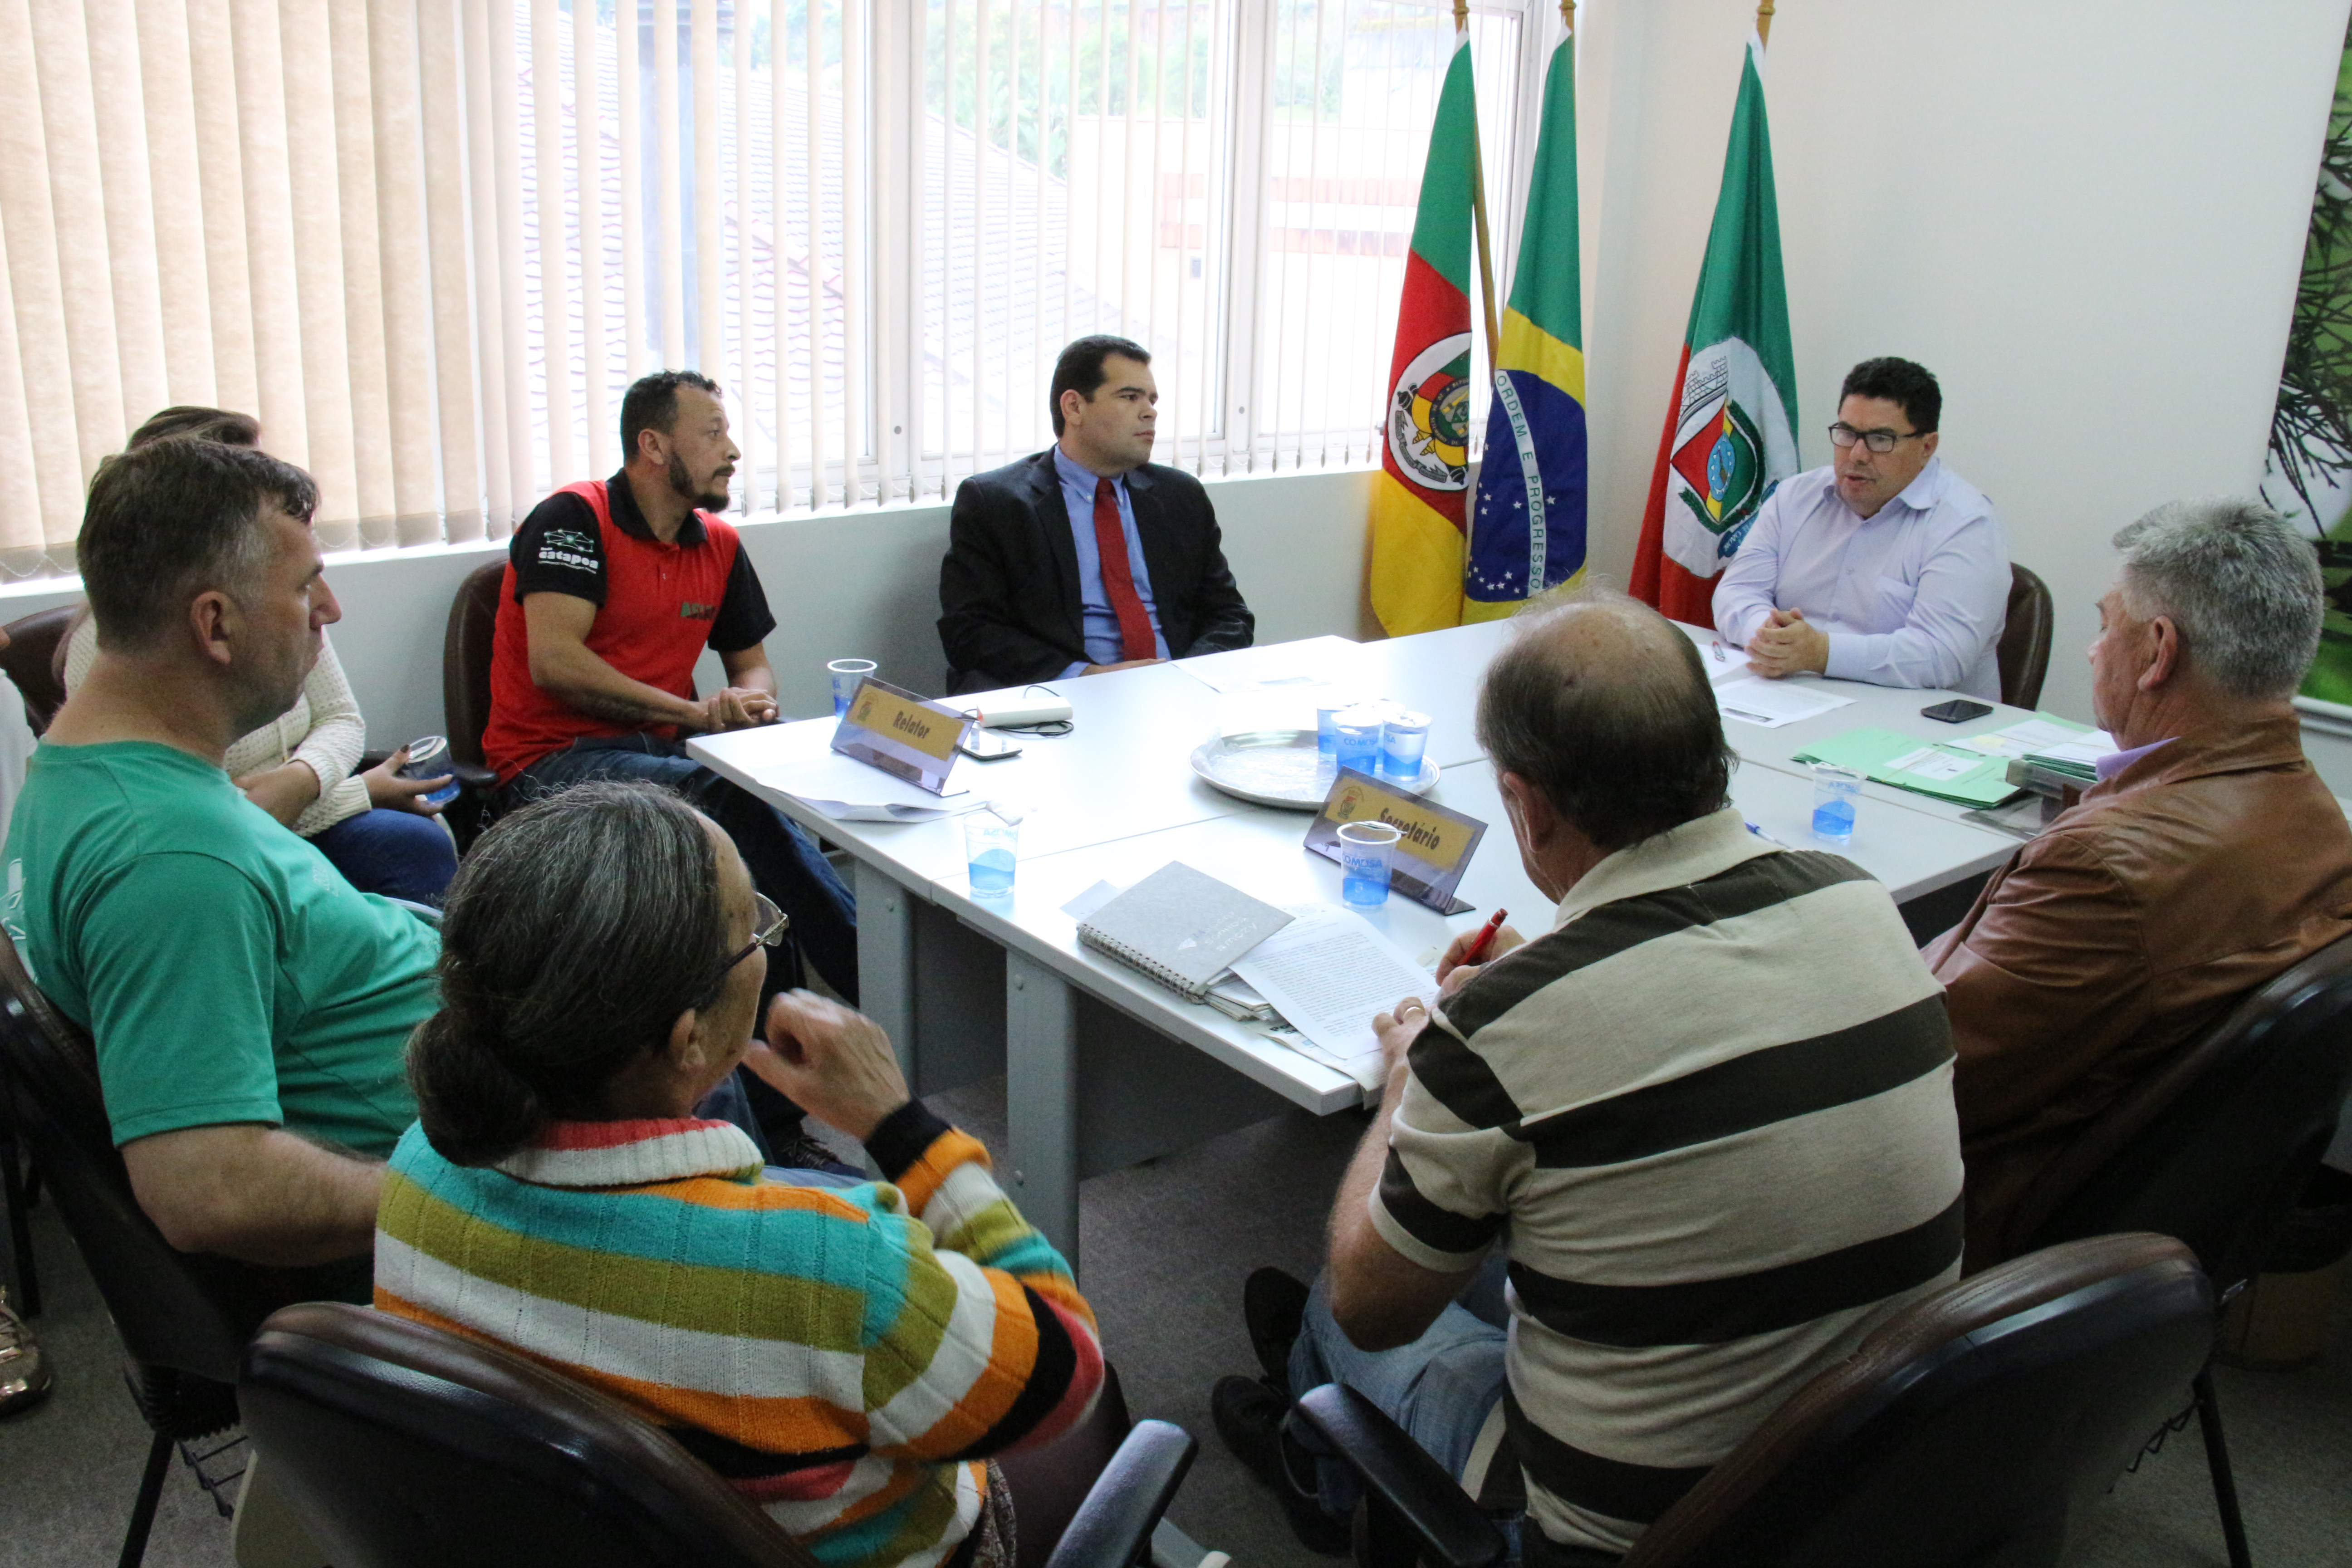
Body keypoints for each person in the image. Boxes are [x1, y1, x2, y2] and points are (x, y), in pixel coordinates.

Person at [1211, 592, 1966, 1559]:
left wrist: (1412, 1077)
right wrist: (1542, 986)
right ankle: (1318, 1429)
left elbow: (1376, 1301)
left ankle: (1316, 1459)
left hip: (1632, 1535)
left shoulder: (1502, 1027)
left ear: (1523, 805)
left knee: (1338, 1303)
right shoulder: (1859, 907)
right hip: (1866, 1480)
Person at [378, 781, 1104, 1568]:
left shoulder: (418, 1165)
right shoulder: (833, 1269)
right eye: (751, 927)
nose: (764, 942)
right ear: (688, 1039)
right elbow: (1064, 1370)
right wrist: (901, 1127)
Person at [2, 438, 439, 1279]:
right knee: (692, 983)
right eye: (305, 583)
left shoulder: (70, 769)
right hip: (469, 1174)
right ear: (214, 623)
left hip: (455, 1064)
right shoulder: (170, 857)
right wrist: (473, 1203)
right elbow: (209, 1191)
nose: (331, 609)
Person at [1928, 498, 2352, 1267]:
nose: (2092, 653)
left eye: (2104, 624)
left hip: (1977, 1226)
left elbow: (1922, 1073)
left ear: (2157, 650)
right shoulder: (2318, 820)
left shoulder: (2104, 869)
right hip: (2149, 1240)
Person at [485, 370, 858, 1005]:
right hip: (550, 762)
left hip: (665, 751)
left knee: (787, 779)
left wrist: (750, 701)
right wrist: (694, 713)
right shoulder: (573, 519)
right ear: (654, 446)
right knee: (730, 794)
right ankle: (872, 980)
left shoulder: (718, 543)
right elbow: (557, 663)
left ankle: (804, 1019)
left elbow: (753, 665)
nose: (733, 452)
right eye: (713, 434)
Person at [60, 406, 458, 905]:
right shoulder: (115, 652)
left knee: (415, 844)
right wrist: (358, 792)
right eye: (246, 492)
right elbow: (205, 820)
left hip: (300, 811)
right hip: (239, 842)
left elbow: (341, 719)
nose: (329, 610)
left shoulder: (284, 600)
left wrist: (303, 777)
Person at [937, 335, 1254, 692]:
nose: (1149, 412)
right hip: (1066, 697)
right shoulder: (997, 503)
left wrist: (1184, 678)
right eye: (1130, 397)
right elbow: (970, 632)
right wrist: (1084, 678)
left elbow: (1230, 617)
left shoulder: (1179, 495)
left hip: (1180, 689)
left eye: (1151, 400)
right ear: (1074, 407)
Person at [1712, 357, 2010, 698]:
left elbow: (1941, 655)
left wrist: (1821, 653)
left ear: (1927, 447)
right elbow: (1736, 591)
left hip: (1917, 729)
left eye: (1880, 439)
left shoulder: (1966, 524)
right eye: (1847, 433)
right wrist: (1769, 635)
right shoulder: (1796, 497)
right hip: (1790, 702)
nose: (1856, 454)